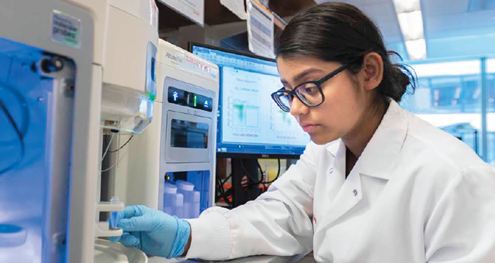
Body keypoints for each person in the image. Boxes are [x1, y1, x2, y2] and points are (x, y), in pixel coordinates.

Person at [111, 2, 495, 262]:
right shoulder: (328, 150)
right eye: (288, 91)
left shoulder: (454, 177)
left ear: (369, 72)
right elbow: (282, 214)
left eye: (310, 88)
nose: (295, 108)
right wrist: (186, 235)